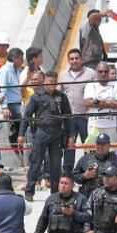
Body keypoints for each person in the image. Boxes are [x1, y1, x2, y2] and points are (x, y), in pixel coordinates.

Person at [20, 71, 73, 202]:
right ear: (44, 82)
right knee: (36, 163)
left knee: (55, 165)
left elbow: (69, 117)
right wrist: (21, 134)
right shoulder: (36, 97)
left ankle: (55, 193)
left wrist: (71, 135)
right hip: (41, 133)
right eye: (49, 82)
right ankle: (29, 191)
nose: (52, 84)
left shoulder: (62, 97)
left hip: (57, 134)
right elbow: (26, 116)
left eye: (54, 81)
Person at [59, 50, 96, 171]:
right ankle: (67, 172)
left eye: (77, 58)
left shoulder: (91, 74)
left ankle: (89, 170)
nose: (74, 61)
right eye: (72, 59)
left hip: (85, 116)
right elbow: (60, 94)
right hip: (68, 118)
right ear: (69, 60)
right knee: (69, 146)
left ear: (81, 59)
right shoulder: (64, 75)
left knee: (88, 145)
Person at [82, 62, 117, 147]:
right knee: (93, 151)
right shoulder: (90, 85)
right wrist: (107, 103)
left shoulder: (116, 86)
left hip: (111, 126)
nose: (103, 74)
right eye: (100, 71)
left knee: (111, 152)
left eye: (105, 71)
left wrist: (98, 103)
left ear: (109, 72)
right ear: (96, 72)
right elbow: (87, 102)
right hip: (94, 125)